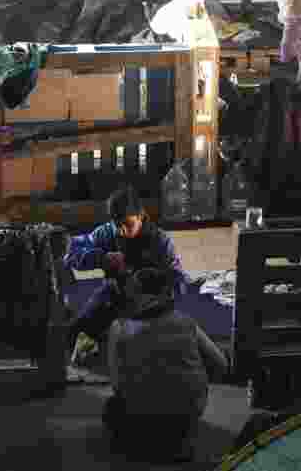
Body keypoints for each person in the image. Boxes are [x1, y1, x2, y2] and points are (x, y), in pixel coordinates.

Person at [103, 267, 229, 462]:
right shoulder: (186, 322)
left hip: (140, 416)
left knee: (111, 408)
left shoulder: (119, 329)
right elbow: (221, 365)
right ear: (166, 293)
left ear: (133, 293)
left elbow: (117, 385)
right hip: (188, 412)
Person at [65, 186, 189, 349]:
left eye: (127, 224)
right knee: (73, 335)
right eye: (117, 225)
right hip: (114, 297)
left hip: (149, 305)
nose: (122, 231)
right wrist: (101, 259)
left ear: (141, 216)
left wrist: (151, 280)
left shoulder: (161, 241)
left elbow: (180, 284)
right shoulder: (107, 232)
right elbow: (71, 253)